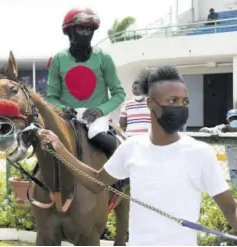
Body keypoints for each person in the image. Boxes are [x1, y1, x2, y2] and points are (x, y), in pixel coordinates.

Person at [37, 65, 237, 245]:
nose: (180, 107)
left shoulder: (200, 153)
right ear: (151, 103)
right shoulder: (131, 148)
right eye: (173, 100)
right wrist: (61, 149)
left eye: (185, 102)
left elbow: (230, 209)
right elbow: (96, 181)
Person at [47, 8, 126, 157]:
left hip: (97, 116)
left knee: (96, 135)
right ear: (70, 31)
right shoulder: (57, 60)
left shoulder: (104, 58)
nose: (85, 33)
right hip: (69, 116)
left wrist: (100, 110)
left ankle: (122, 170)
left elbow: (118, 93)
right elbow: (51, 98)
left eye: (89, 29)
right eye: (81, 28)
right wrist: (64, 110)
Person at [200, 109, 237, 187]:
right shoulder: (224, 129)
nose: (234, 121)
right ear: (228, 120)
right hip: (233, 169)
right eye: (232, 119)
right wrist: (215, 132)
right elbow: (205, 130)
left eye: (236, 118)